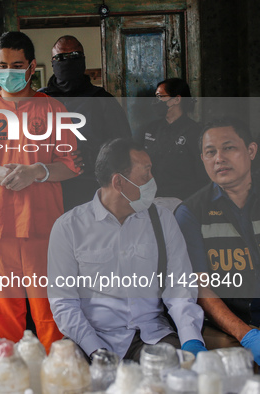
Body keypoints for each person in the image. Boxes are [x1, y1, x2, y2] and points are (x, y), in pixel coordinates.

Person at [0, 31, 81, 352]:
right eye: (2, 65)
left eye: (16, 65)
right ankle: (7, 378)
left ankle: (59, 374)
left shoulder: (54, 109)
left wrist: (37, 172)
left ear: (31, 67)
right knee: (1, 317)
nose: (8, 71)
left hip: (44, 227)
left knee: (51, 312)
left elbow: (71, 165)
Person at [48, 138, 206, 360]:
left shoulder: (162, 220)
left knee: (177, 378)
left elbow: (179, 286)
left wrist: (191, 339)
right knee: (66, 379)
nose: (152, 181)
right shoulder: (68, 227)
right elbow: (63, 302)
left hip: (150, 335)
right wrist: (95, 350)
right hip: (91, 338)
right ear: (118, 182)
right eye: (145, 175)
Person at [175, 117, 260, 363]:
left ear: (251, 150)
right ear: (202, 159)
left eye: (229, 147)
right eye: (210, 152)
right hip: (234, 326)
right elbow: (200, 288)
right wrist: (247, 335)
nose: (219, 158)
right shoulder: (191, 212)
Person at [40, 35, 132, 210]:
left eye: (74, 56)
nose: (67, 61)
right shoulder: (39, 100)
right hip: (49, 186)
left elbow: (123, 145)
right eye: (60, 57)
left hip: (91, 187)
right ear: (53, 62)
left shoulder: (102, 100)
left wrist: (94, 158)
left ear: (82, 60)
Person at [137, 78, 209, 200]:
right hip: (152, 196)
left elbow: (202, 174)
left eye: (160, 96)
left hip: (182, 198)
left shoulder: (194, 131)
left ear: (176, 99)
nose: (156, 101)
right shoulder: (151, 129)